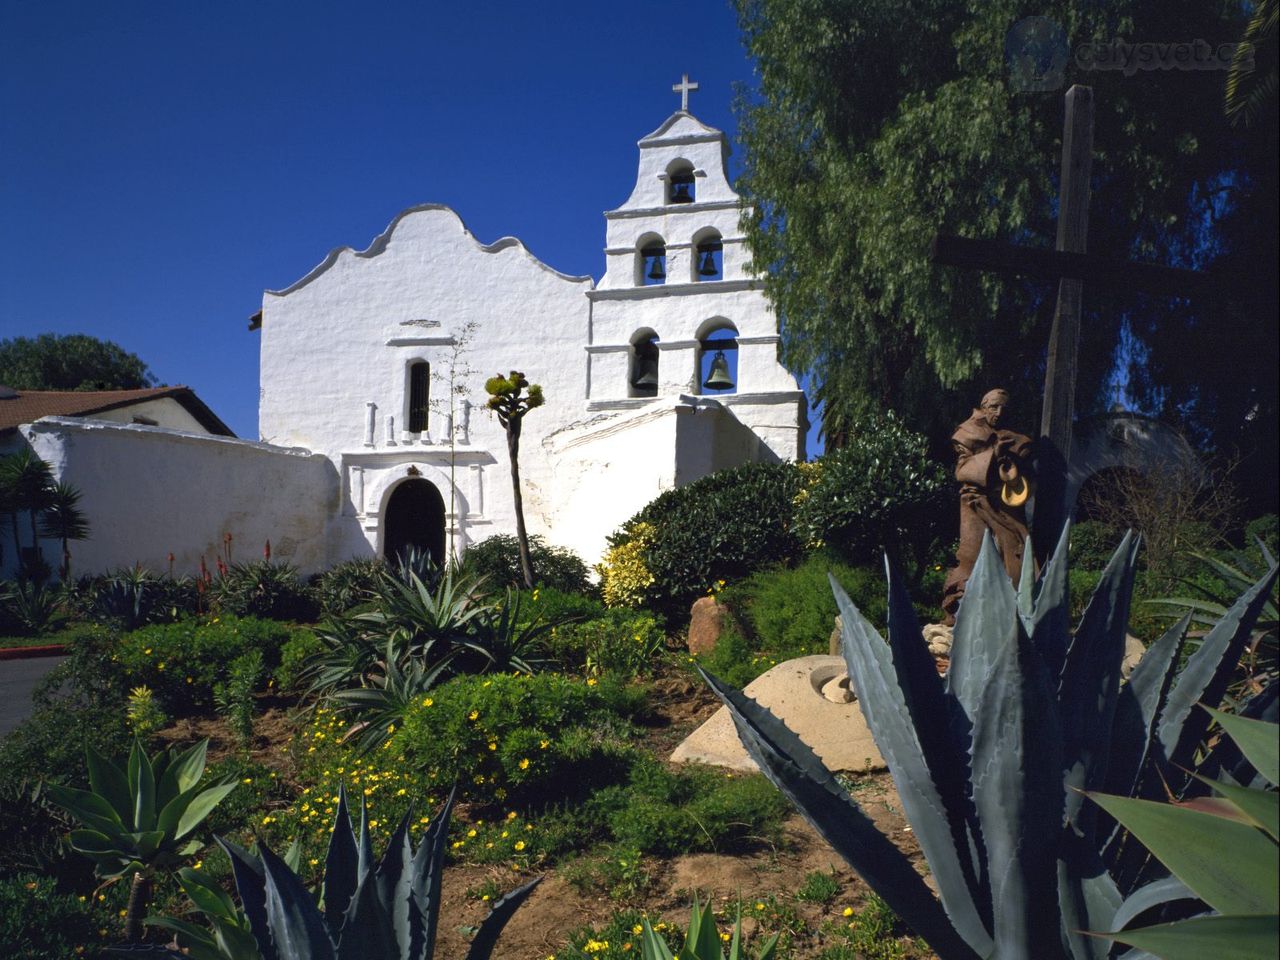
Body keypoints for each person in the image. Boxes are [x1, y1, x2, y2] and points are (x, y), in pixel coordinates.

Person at [942, 389, 1035, 622]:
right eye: (994, 407)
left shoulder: (1017, 440)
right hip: (976, 505)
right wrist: (993, 454)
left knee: (1016, 552)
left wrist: (1013, 467)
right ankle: (963, 612)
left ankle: (1013, 611)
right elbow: (962, 471)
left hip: (1007, 506)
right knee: (972, 556)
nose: (999, 412)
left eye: (1004, 408)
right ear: (984, 408)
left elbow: (1028, 479)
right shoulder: (968, 433)